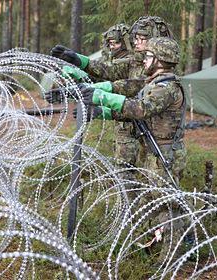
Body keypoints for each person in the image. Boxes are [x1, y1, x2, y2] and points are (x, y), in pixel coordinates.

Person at [80, 37, 187, 260]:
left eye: (149, 56)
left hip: (165, 153)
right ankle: (158, 245)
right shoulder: (155, 83)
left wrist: (103, 97)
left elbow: (139, 109)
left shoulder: (166, 88)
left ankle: (171, 256)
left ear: (160, 60)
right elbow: (134, 113)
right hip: (155, 151)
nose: (144, 60)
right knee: (154, 201)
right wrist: (106, 113)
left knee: (167, 205)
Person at [50, 16, 174, 204]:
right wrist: (80, 61)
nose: (137, 42)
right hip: (135, 127)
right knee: (137, 179)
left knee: (155, 189)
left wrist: (103, 92)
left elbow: (134, 87)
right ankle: (134, 216)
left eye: (143, 38)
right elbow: (109, 70)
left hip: (154, 136)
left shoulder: (161, 69)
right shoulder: (137, 60)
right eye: (136, 38)